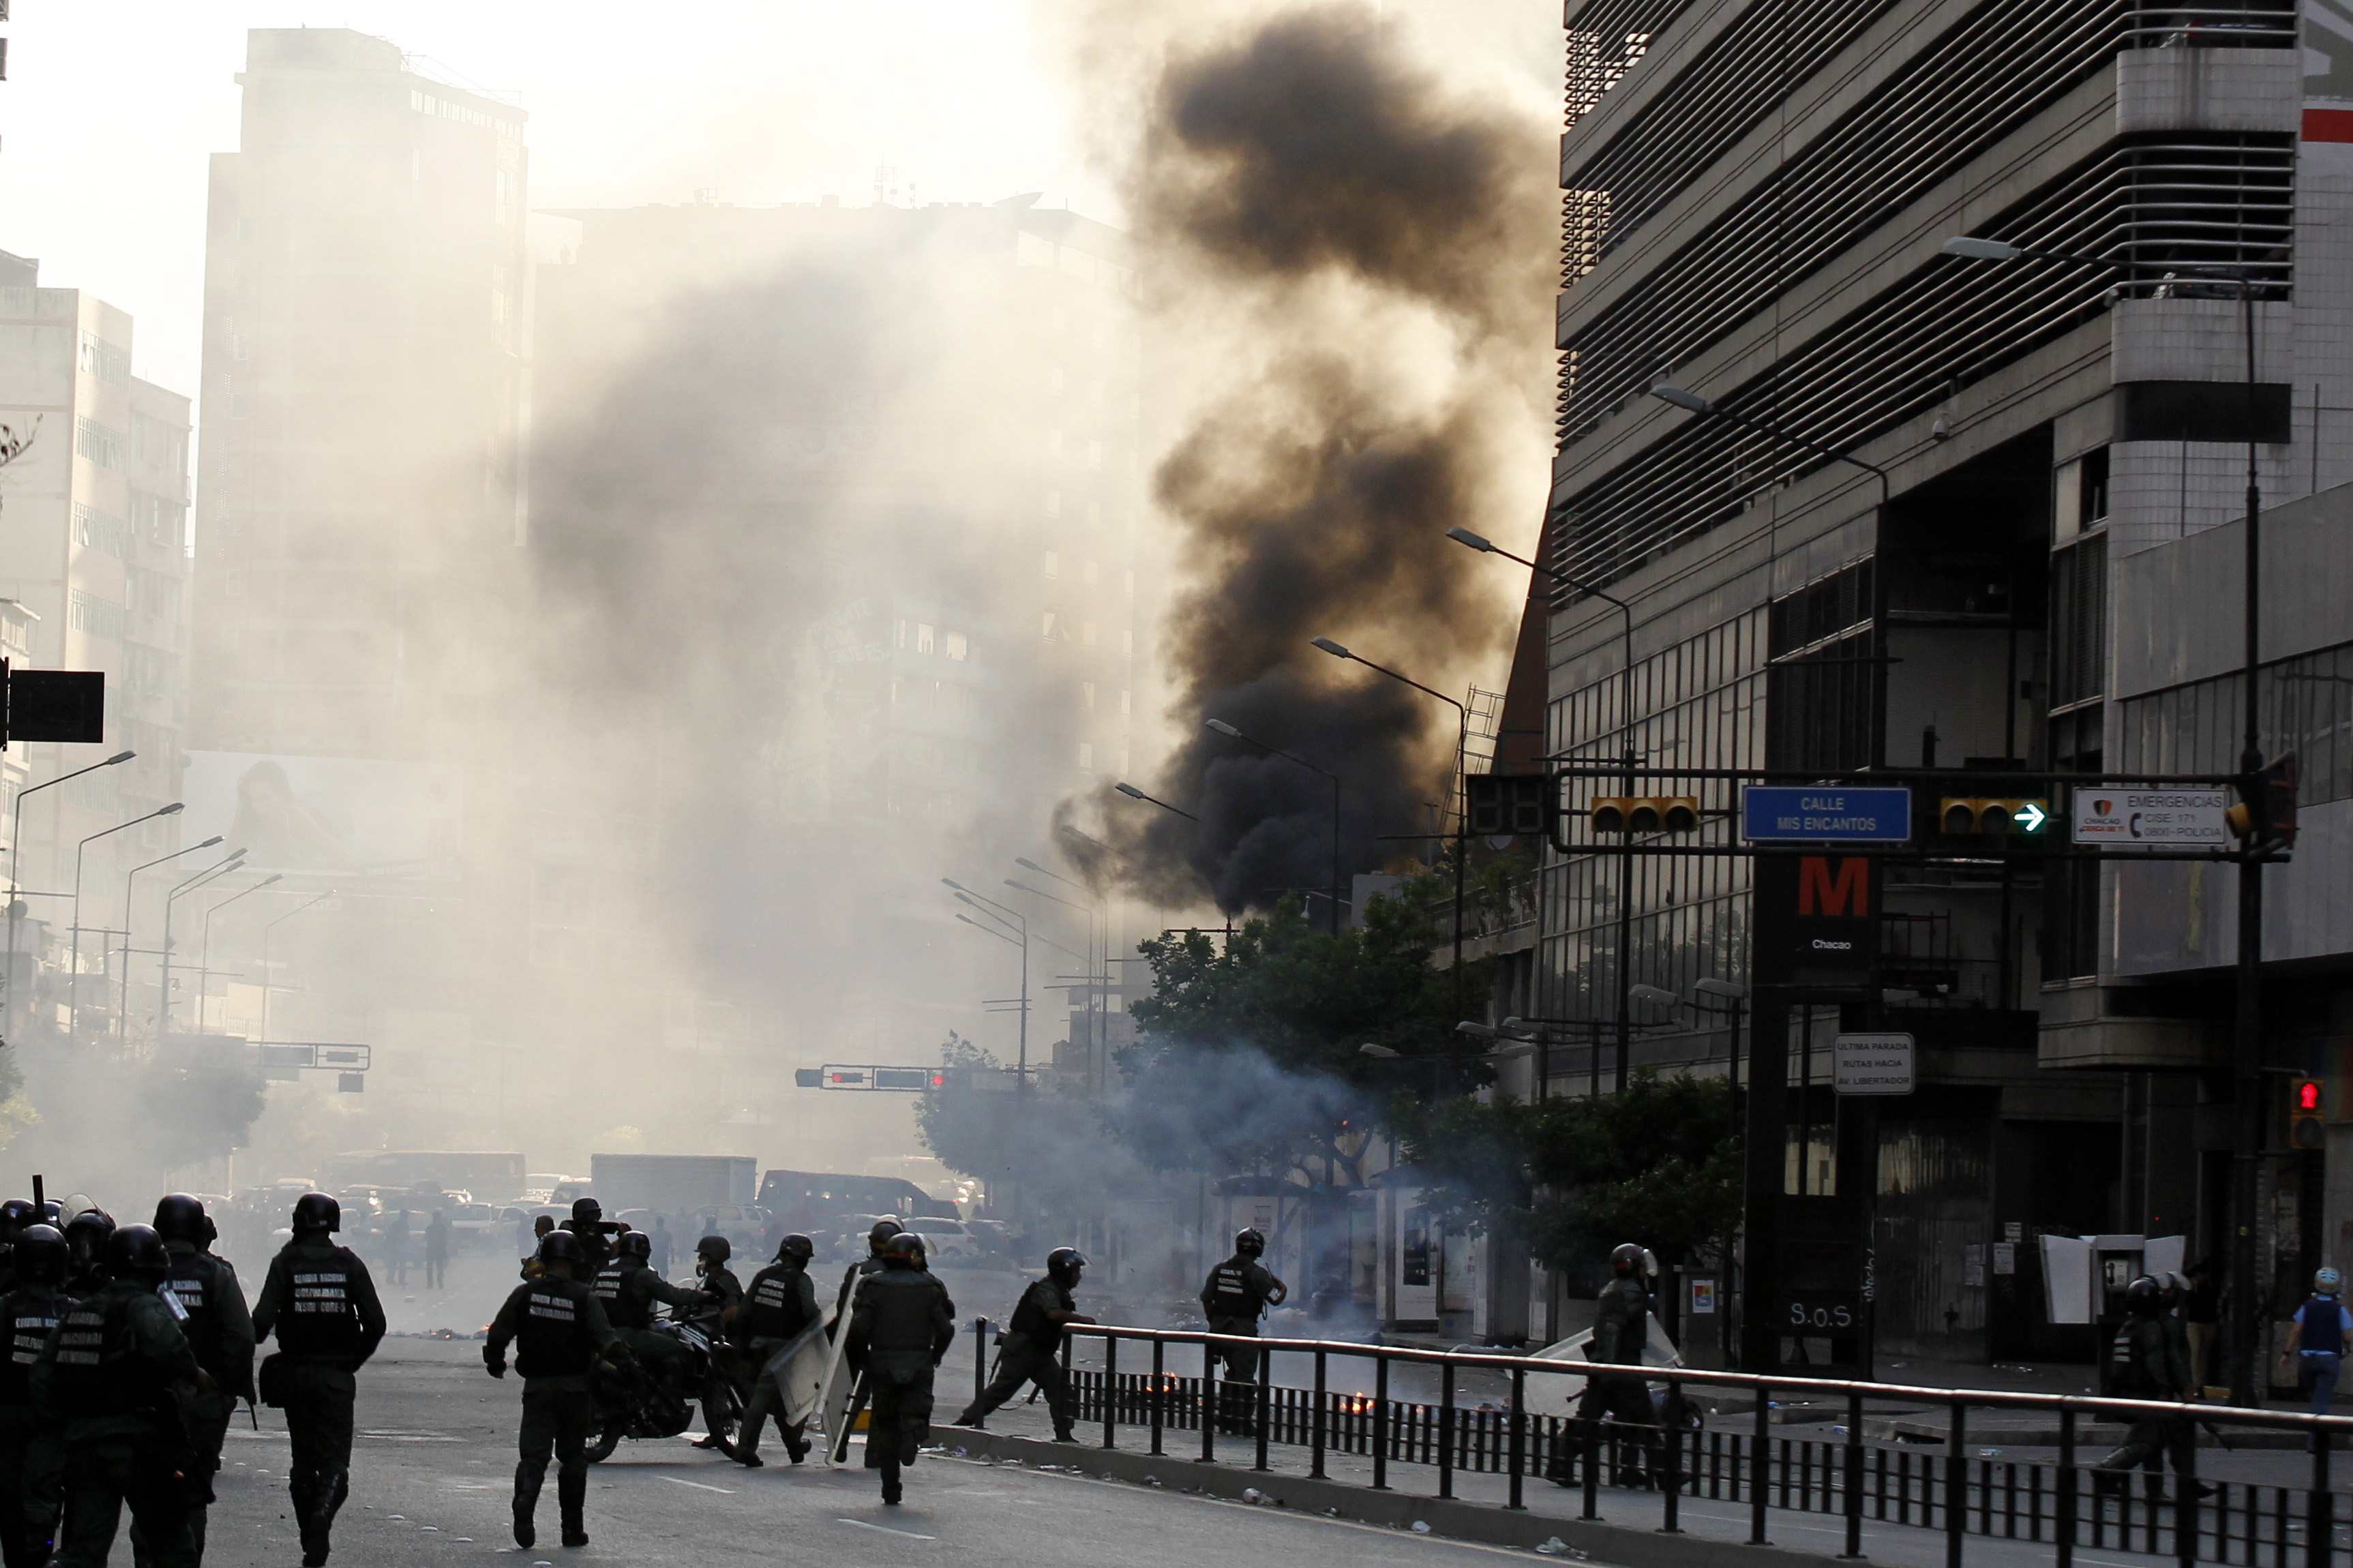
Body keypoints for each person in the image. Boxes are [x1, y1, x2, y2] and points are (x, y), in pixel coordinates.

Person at [31, 1224, 207, 1568]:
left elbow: (41, 1376)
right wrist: (196, 1378)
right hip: (140, 1444)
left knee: (83, 1550)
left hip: (85, 1445)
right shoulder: (145, 1307)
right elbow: (173, 1352)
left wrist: (64, 1425)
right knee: (173, 1545)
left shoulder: (79, 1311)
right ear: (155, 1265)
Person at [251, 1193, 386, 1568]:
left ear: (298, 1222)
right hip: (336, 1378)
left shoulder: (286, 1263)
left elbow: (261, 1321)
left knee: (302, 1461)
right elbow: (376, 1323)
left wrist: (238, 1346)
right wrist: (350, 1362)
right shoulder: (348, 1264)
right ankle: (323, 1512)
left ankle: (311, 1534)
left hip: (295, 1375)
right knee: (335, 1463)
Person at [484, 1231, 626, 1550]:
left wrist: (495, 1362)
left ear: (544, 1261)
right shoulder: (584, 1296)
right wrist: (628, 1365)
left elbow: (499, 1334)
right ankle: (571, 1529)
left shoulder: (526, 1293)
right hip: (576, 1389)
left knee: (533, 1457)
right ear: (575, 1262)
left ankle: (525, 1498)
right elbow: (607, 1339)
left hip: (537, 1387)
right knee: (573, 1459)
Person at [153, 1194, 255, 1563]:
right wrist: (225, 1389)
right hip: (204, 1399)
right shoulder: (216, 1274)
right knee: (194, 1489)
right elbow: (242, 1337)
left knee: (151, 1492)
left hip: (149, 1399)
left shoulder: (142, 1271)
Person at [845, 1233, 955, 1505]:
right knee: (918, 1409)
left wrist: (864, 1360)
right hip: (919, 1362)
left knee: (885, 1424)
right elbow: (946, 1328)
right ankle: (913, 1434)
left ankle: (891, 1488)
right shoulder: (930, 1286)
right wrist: (935, 1356)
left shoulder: (872, 1285)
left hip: (882, 1362)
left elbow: (858, 1329)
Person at [953, 1247, 1094, 1439]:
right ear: (1064, 1271)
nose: (1079, 1276)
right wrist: (1081, 1320)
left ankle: (1063, 1433)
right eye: (1076, 1271)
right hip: (1024, 1349)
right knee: (1002, 1390)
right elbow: (1052, 1313)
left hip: (1040, 1351)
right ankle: (965, 1421)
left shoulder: (1060, 1290)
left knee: (1060, 1389)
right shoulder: (1047, 1289)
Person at [1552, 1242, 1661, 1488]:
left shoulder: (1613, 1290)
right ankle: (1664, 1473)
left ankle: (1562, 1464)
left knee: (1595, 1420)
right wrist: (1613, 1368)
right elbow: (1612, 1330)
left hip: (1608, 1368)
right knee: (1645, 1421)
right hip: (1621, 1369)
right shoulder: (1629, 1292)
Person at [0, 1223, 71, 1568]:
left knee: (11, 1501)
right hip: (55, 1425)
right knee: (44, 1505)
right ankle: (38, 1551)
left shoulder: (4, 1309)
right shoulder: (75, 1311)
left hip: (10, 1421)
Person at [2096, 1274, 2193, 1495]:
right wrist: (2165, 1391)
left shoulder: (2127, 1328)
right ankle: (2107, 1468)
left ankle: (2154, 1490)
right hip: (2144, 1395)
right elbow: (2155, 1363)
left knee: (2155, 1437)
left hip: (2123, 1394)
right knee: (2150, 1440)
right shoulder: (2151, 1328)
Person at [734, 1235, 820, 1467]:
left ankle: (795, 1448)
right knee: (787, 1400)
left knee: (781, 1402)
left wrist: (742, 1344)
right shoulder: (801, 1281)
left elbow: (744, 1312)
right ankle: (745, 1448)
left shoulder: (763, 1276)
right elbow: (812, 1314)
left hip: (756, 1346)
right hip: (785, 1349)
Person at [592, 1231, 706, 1391]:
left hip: (602, 1338)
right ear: (644, 1253)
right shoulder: (642, 1275)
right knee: (679, 1349)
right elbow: (674, 1296)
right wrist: (703, 1296)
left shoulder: (603, 1273)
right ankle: (668, 1402)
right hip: (628, 1335)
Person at [1199, 1227, 1287, 1434]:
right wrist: (1282, 1287)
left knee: (1231, 1373)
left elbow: (1206, 1299)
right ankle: (1242, 1420)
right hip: (1244, 1332)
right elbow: (1274, 1299)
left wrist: (1214, 1321)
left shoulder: (1219, 1269)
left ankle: (1225, 1415)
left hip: (1219, 1332)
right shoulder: (1257, 1273)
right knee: (1245, 1376)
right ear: (1258, 1249)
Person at [689, 1235, 745, 1452]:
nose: (700, 1259)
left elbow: (733, 1308)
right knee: (711, 1387)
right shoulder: (712, 1278)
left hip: (727, 1338)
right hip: (715, 1336)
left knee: (717, 1385)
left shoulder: (723, 1279)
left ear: (713, 1257)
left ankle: (722, 1429)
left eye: (703, 1255)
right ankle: (719, 1430)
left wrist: (719, 1323)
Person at [2285, 1265, 2353, 1416]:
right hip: (2329, 1360)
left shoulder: (2307, 1307)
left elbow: (2296, 1331)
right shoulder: (2339, 1309)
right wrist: (2347, 1347)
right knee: (2321, 1401)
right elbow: (2348, 1337)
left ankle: (2320, 1435)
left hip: (2307, 1360)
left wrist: (2287, 1353)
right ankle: (2316, 1435)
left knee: (2315, 1393)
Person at [2183, 1259, 2220, 1394]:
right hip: (2194, 1323)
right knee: (2196, 1351)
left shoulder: (2210, 1288)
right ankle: (2197, 1384)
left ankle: (2201, 1383)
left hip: (2208, 1322)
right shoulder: (2191, 1289)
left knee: (2203, 1354)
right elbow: (2187, 1305)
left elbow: (2214, 1302)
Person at [63, 1209, 116, 1296]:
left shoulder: (118, 1295)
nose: (79, 1254)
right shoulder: (62, 1294)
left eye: (88, 1245)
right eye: (75, 1244)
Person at [558, 1199, 613, 1282]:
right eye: (592, 1215)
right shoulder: (570, 1233)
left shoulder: (596, 1235)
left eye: (598, 1214)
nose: (596, 1218)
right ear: (580, 1216)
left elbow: (609, 1253)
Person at [383, 1210, 410, 1289]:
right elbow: (406, 1235)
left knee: (393, 1264)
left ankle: (390, 1278)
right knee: (402, 1264)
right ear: (405, 1216)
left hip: (393, 1246)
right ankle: (401, 1280)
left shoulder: (395, 1223)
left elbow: (389, 1234)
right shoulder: (405, 1224)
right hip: (401, 1246)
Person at [424, 1211, 450, 1293]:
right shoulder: (443, 1227)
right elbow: (446, 1239)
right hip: (440, 1249)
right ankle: (440, 1282)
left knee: (430, 1267)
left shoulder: (429, 1227)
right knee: (440, 1267)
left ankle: (430, 1284)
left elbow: (426, 1238)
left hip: (431, 1249)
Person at [649, 1216, 673, 1280]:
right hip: (663, 1255)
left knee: (654, 1273)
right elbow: (671, 1246)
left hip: (655, 1254)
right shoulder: (667, 1234)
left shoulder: (653, 1234)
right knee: (663, 1274)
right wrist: (672, 1256)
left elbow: (650, 1245)